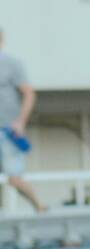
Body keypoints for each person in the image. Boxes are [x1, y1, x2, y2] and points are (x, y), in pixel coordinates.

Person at [0, 29, 45, 212]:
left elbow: (28, 93)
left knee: (14, 179)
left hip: (7, 130)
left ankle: (39, 207)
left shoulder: (11, 64)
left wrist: (20, 122)